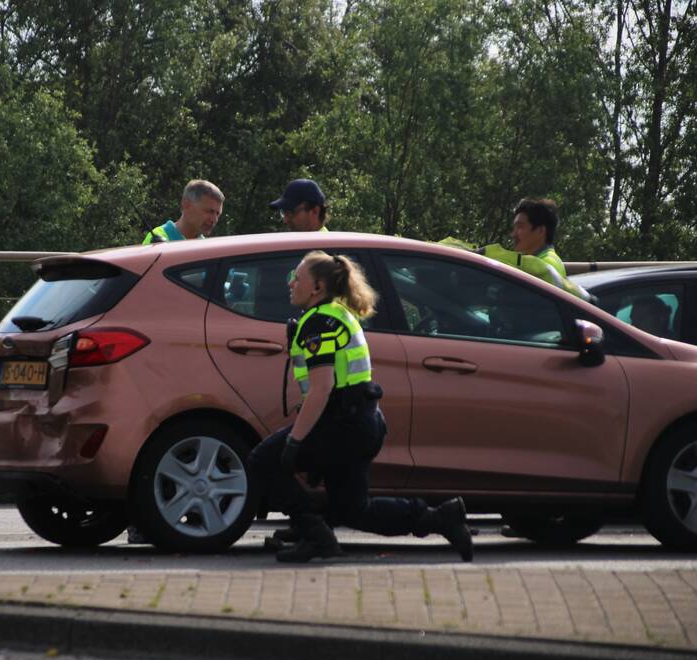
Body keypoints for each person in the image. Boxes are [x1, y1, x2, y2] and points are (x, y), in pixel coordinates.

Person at [249, 251, 473, 563]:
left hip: (341, 425)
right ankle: (440, 518)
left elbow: (322, 388)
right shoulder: (334, 313)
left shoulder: (319, 322)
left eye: (296, 278)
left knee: (262, 460)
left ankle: (315, 535)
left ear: (317, 287)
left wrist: (295, 442)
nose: (290, 283)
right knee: (353, 509)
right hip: (358, 422)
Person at [444, 198, 591, 301]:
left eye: (520, 227)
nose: (513, 234)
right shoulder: (539, 260)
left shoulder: (547, 264)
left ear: (540, 231)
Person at [142, 180, 223, 243]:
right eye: (209, 211)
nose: (214, 219)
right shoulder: (156, 239)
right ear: (186, 205)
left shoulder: (206, 247)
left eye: (218, 214)